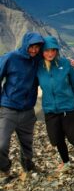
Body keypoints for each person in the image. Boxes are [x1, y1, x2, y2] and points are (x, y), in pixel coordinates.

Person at [37, 36, 74, 172]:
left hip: (68, 108)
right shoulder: (38, 67)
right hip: (50, 110)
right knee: (57, 139)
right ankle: (66, 162)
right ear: (42, 51)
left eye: (53, 50)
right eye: (47, 50)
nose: (50, 53)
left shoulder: (66, 64)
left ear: (57, 51)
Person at [0, 32, 44, 182]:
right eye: (31, 47)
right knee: (1, 144)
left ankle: (28, 167)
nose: (34, 50)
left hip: (27, 111)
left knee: (27, 145)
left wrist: (69, 62)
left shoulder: (38, 60)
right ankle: (5, 169)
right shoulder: (11, 57)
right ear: (25, 44)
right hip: (9, 109)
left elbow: (54, 59)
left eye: (37, 47)